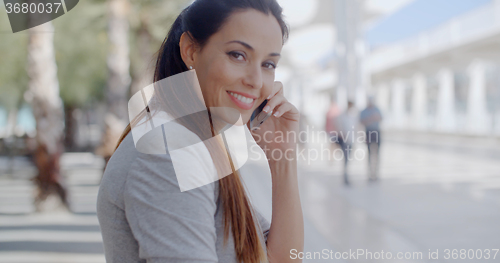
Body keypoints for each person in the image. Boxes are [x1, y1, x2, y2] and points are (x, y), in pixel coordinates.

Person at [96, 1, 304, 263]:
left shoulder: (195, 142)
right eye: (238, 55)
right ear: (191, 51)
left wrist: (281, 157)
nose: (256, 81)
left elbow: (278, 259)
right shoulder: (169, 153)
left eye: (268, 64)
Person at [359, 96, 383, 182]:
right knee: (369, 153)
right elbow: (361, 122)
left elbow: (380, 118)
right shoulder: (364, 111)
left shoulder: (377, 109)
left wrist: (374, 118)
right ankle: (369, 173)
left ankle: (376, 172)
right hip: (368, 132)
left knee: (377, 154)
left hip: (376, 132)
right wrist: (371, 119)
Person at [336, 101, 358, 186]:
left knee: (348, 159)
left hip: (351, 140)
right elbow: (339, 127)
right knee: (346, 158)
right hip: (345, 140)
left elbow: (355, 128)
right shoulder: (343, 116)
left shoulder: (353, 116)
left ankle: (346, 176)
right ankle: (345, 177)